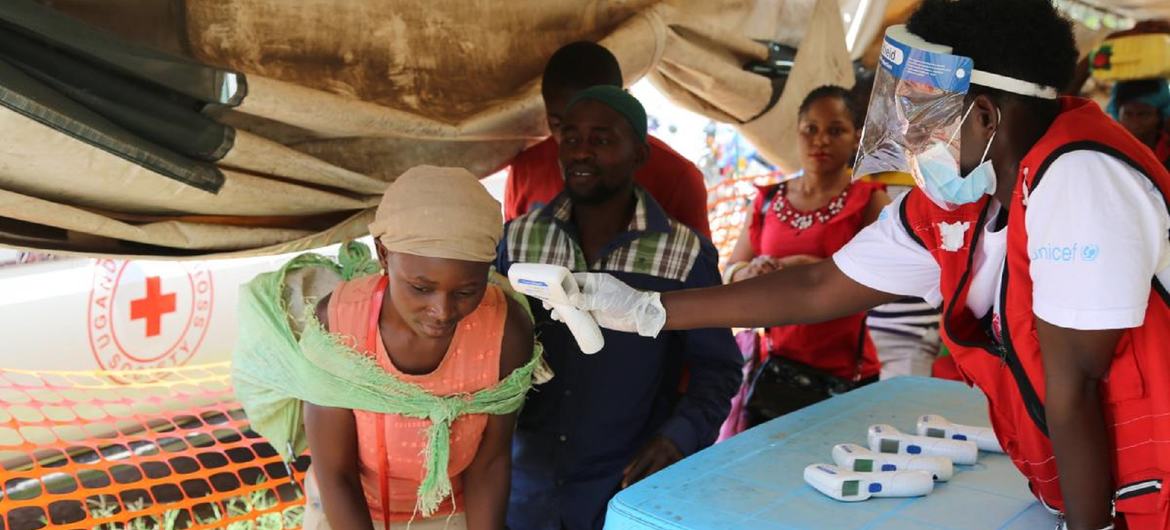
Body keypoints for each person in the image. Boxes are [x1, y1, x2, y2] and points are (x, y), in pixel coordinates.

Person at [567, 1, 1170, 529]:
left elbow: (1074, 384)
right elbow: (819, 285)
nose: (911, 139)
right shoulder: (966, 202)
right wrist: (647, 309)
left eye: (926, 117)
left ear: (986, 118)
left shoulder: (1080, 177)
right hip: (1101, 485)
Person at [495, 85, 742, 530]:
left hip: (623, 484)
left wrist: (678, 438)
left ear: (639, 154)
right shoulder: (517, 240)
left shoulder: (682, 254)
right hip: (524, 482)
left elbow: (718, 367)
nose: (581, 151)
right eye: (571, 138)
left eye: (602, 139)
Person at [302, 166, 533, 530]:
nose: (442, 311)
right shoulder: (341, 323)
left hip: (450, 515)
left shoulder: (507, 330)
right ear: (383, 254)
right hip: (351, 510)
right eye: (421, 289)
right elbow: (336, 473)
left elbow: (490, 463)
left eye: (466, 291)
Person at [723, 85, 888, 422]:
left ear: (856, 138)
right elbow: (730, 270)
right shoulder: (768, 201)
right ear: (796, 133)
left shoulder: (870, 201)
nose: (820, 140)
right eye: (810, 129)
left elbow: (881, 284)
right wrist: (751, 272)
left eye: (835, 130)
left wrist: (812, 271)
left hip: (845, 375)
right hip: (775, 368)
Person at [504, 41, 712, 238]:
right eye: (560, 125)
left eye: (598, 134)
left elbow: (698, 261)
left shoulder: (677, 178)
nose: (578, 151)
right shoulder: (525, 171)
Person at [1107, 78, 1170, 169]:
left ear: (1159, 116)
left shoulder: (1167, 151)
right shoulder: (1109, 152)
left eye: (1142, 114)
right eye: (1128, 114)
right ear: (1118, 115)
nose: (1134, 122)